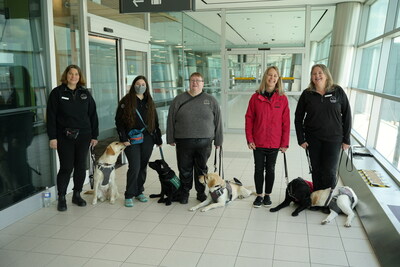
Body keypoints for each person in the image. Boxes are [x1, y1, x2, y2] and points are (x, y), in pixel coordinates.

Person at [47, 64, 99, 211]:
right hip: (64, 136)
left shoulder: (85, 93)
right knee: (66, 167)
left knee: (81, 166)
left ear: (79, 77)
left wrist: (94, 135)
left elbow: (93, 115)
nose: (73, 76)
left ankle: (77, 194)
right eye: (71, 74)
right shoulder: (57, 93)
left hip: (84, 135)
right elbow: (51, 117)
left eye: (76, 74)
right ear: (66, 75)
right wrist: (52, 137)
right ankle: (62, 197)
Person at [294, 64, 351, 196]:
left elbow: (347, 115)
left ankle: (327, 200)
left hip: (334, 139)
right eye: (314, 73)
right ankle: (317, 198)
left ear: (326, 74)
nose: (317, 76)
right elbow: (298, 117)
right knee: (316, 169)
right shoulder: (307, 94)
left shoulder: (337, 91)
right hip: (313, 139)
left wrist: (346, 139)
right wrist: (301, 139)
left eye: (320, 73)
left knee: (330, 170)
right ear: (311, 77)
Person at [167, 72, 223, 204]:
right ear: (189, 82)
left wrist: (219, 140)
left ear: (203, 83)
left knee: (201, 169)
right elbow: (170, 119)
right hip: (183, 140)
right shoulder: (178, 99)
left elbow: (218, 121)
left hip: (205, 142)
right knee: (184, 169)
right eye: (193, 80)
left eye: (198, 80)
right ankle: (184, 193)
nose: (195, 83)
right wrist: (170, 138)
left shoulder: (211, 100)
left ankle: (200, 193)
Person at [245, 66, 290, 208]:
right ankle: (259, 195)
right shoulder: (255, 97)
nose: (272, 78)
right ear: (265, 77)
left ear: (278, 79)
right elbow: (249, 119)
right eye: (270, 75)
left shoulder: (282, 99)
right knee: (258, 169)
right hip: (258, 142)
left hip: (275, 142)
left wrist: (285, 143)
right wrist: (250, 139)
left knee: (270, 169)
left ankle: (267, 195)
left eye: (275, 75)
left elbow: (286, 123)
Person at [115, 75, 162, 207]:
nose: (140, 86)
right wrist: (123, 138)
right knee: (134, 167)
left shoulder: (149, 101)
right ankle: (129, 194)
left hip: (147, 139)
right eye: (137, 84)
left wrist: (158, 138)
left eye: (143, 84)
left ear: (146, 86)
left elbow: (155, 121)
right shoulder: (126, 101)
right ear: (133, 85)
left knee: (142, 166)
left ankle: (139, 191)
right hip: (132, 139)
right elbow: (119, 121)